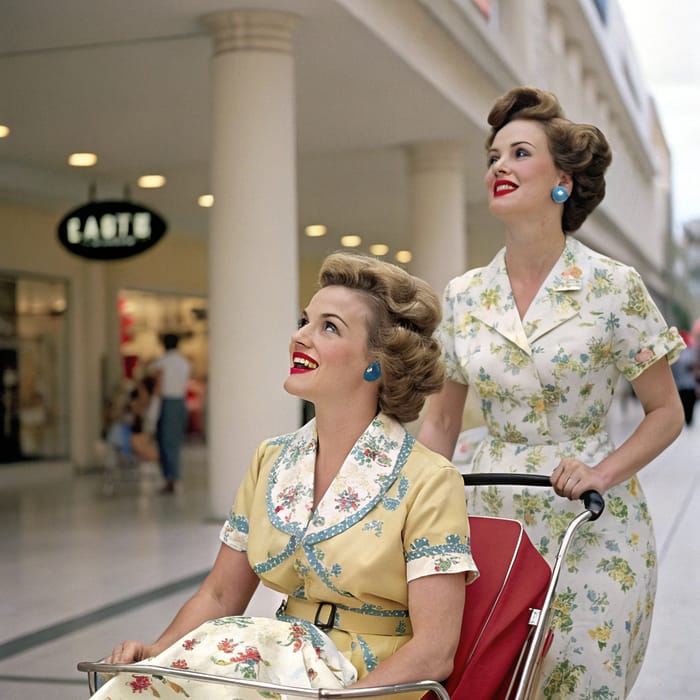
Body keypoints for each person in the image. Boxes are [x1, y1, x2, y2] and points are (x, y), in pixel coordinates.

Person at [94, 252, 478, 700]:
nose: (299, 337)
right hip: (281, 668)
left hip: (369, 684)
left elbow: (434, 651)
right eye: (304, 321)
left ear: (376, 363)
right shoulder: (271, 459)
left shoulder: (429, 479)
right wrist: (159, 654)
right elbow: (220, 595)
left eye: (328, 327)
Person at [418, 86, 685, 699]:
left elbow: (666, 413)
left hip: (591, 515)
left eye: (518, 153)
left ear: (562, 181)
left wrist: (601, 472)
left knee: (581, 677)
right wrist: (416, 503)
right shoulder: (463, 295)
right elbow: (441, 426)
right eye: (492, 157)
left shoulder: (614, 287)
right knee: (492, 680)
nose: (499, 168)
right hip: (487, 511)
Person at [153, 333, 191, 493]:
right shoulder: (184, 363)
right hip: (181, 402)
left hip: (167, 403)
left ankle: (170, 477)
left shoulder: (162, 362)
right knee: (174, 441)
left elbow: (158, 387)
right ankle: (173, 476)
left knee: (166, 442)